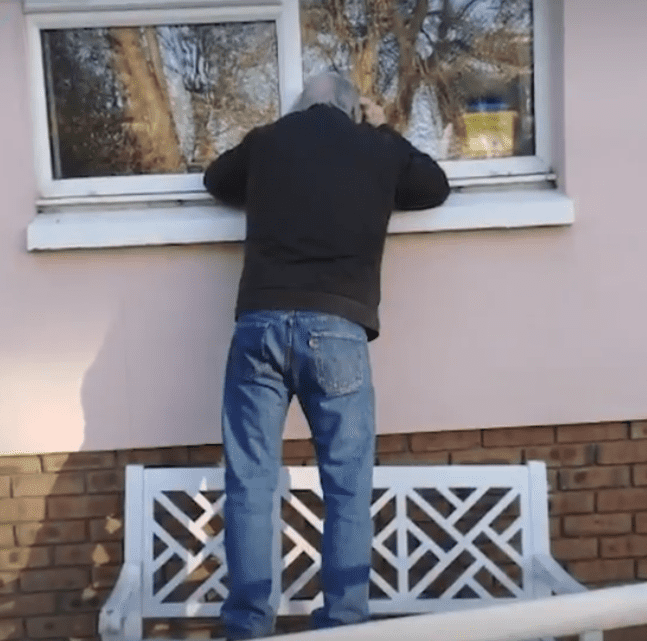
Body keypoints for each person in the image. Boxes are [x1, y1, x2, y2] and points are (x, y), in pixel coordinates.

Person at [203, 71, 450, 640]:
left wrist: (269, 146)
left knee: (250, 482)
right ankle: (342, 626)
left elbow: (216, 179)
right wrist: (385, 127)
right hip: (338, 330)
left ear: (299, 105)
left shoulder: (268, 142)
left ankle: (245, 626)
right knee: (346, 488)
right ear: (351, 109)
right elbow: (434, 186)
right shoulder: (378, 147)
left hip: (259, 327)